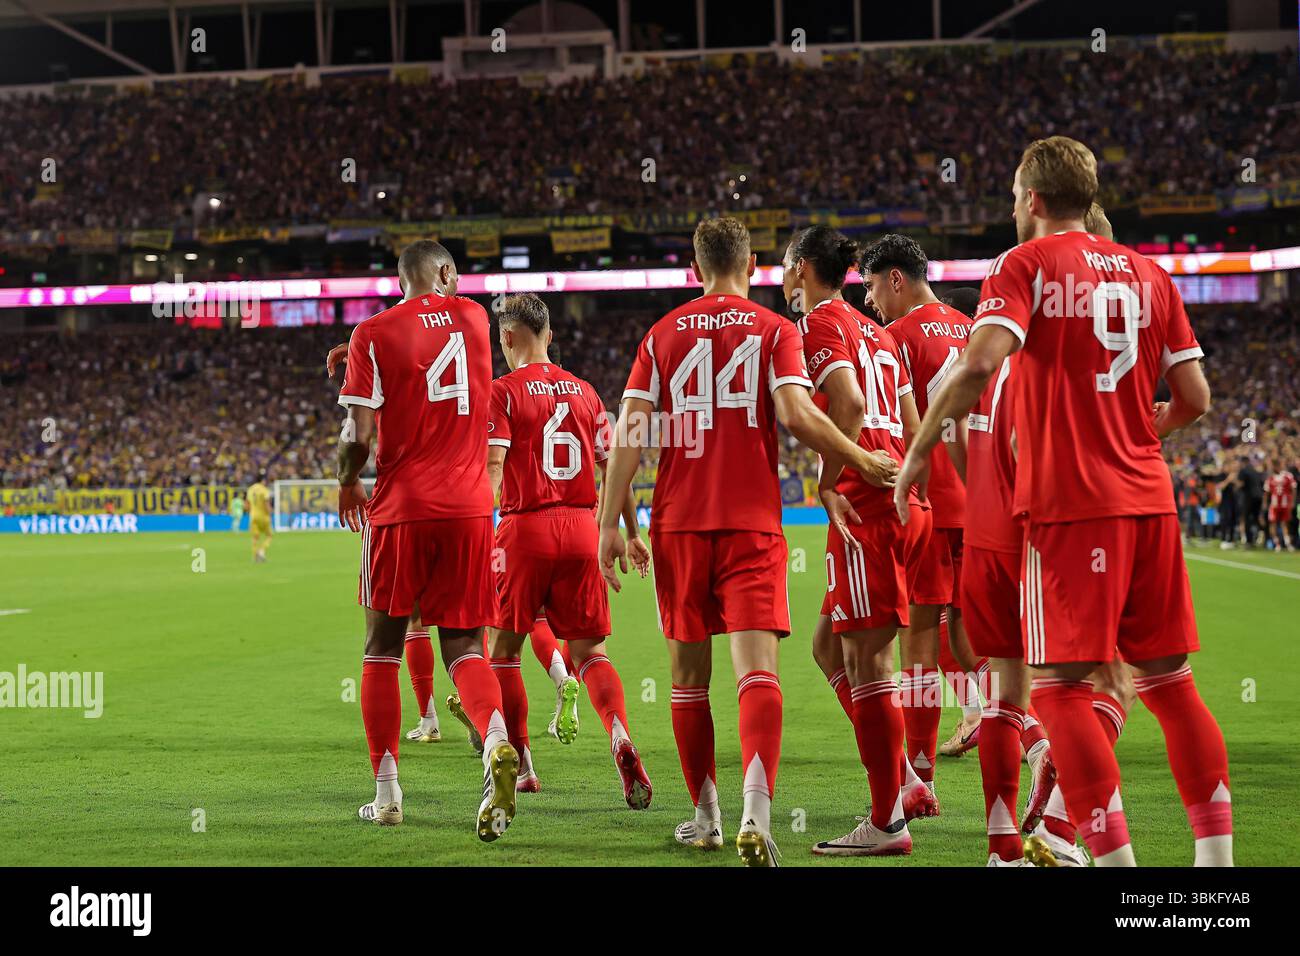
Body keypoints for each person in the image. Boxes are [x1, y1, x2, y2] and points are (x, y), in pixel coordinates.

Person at [895, 136, 1232, 866]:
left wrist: (918, 450)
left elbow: (980, 364)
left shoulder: (1025, 265)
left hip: (1067, 508)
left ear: (1035, 200)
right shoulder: (1152, 273)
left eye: (1016, 196)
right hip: (1150, 497)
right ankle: (1215, 870)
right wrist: (1141, 428)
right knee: (1171, 685)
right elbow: (1196, 398)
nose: (1013, 208)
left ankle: (1096, 856)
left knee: (1058, 692)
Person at [598, 217, 900, 866]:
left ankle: (707, 816)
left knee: (686, 681)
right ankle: (757, 817)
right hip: (754, 523)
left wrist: (607, 527)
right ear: (755, 263)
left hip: (678, 520)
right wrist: (858, 459)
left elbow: (628, 434)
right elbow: (796, 414)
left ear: (694, 268)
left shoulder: (662, 332)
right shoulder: (773, 331)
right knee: (756, 672)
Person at [335, 239, 519, 841]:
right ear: (444, 273)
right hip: (470, 510)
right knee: (465, 644)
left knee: (381, 647)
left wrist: (346, 483)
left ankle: (387, 793)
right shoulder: (474, 319)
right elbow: (435, 349)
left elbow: (358, 434)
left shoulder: (374, 333)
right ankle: (495, 738)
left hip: (402, 507)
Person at [780, 225, 923, 856]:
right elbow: (915, 425)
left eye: (786, 267)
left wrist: (832, 478)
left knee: (871, 662)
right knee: (825, 648)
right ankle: (905, 778)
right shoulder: (883, 333)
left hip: (867, 502)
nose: (783, 279)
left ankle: (888, 820)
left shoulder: (820, 325)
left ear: (805, 268)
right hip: (903, 494)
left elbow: (849, 405)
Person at [485, 292, 653, 806]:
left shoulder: (503, 392)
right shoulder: (585, 393)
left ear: (507, 337)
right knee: (590, 653)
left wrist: (473, 521)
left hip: (525, 530)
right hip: (583, 528)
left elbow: (494, 467)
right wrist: (630, 529)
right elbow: (614, 468)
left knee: (504, 653)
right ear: (550, 336)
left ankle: (525, 766)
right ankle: (620, 735)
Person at [860, 234, 972, 802]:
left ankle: (920, 778)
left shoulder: (892, 338)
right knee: (985, 643)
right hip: (982, 502)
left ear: (896, 278)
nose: (871, 301)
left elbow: (895, 425)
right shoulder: (974, 327)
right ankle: (1030, 740)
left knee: (920, 643)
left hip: (928, 497)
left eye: (873, 286)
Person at [246, 474, 272, 562]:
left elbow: (247, 504)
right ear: (263, 480)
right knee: (269, 535)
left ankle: (255, 557)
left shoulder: (250, 489)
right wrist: (269, 512)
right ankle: (261, 551)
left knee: (255, 537)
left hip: (253, 516)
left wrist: (250, 512)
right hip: (263, 516)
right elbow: (266, 503)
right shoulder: (264, 490)